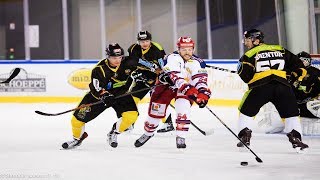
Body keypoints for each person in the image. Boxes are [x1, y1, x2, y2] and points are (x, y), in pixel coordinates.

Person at [61, 43, 154, 149]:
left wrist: (160, 74)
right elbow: (95, 87)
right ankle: (77, 139)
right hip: (99, 96)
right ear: (108, 56)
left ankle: (114, 132)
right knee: (76, 120)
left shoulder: (128, 61)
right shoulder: (99, 70)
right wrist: (104, 95)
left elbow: (149, 66)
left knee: (131, 116)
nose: (117, 60)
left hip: (121, 94)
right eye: (114, 57)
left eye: (120, 57)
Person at [236, 29, 309, 151]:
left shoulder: (249, 55)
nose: (245, 43)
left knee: (245, 111)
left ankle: (244, 137)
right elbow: (300, 67)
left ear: (256, 40)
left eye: (248, 40)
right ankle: (297, 140)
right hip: (283, 87)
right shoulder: (280, 49)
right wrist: (293, 78)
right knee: (291, 114)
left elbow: (245, 75)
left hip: (260, 87)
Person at [134, 36, 211, 149]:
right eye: (184, 49)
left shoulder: (196, 62)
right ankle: (148, 133)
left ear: (193, 49)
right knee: (155, 115)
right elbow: (177, 77)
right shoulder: (172, 58)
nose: (187, 52)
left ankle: (181, 136)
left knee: (183, 109)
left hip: (184, 89)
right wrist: (189, 90)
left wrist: (203, 94)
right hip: (166, 87)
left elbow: (200, 79)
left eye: (189, 49)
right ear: (178, 49)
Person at [128, 30, 174, 133]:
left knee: (156, 103)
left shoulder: (157, 49)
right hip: (142, 76)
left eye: (147, 41)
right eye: (142, 41)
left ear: (150, 41)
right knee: (132, 100)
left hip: (156, 78)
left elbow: (162, 67)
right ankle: (129, 122)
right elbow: (133, 62)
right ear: (138, 42)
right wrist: (135, 73)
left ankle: (168, 123)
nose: (144, 43)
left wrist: (162, 77)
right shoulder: (133, 49)